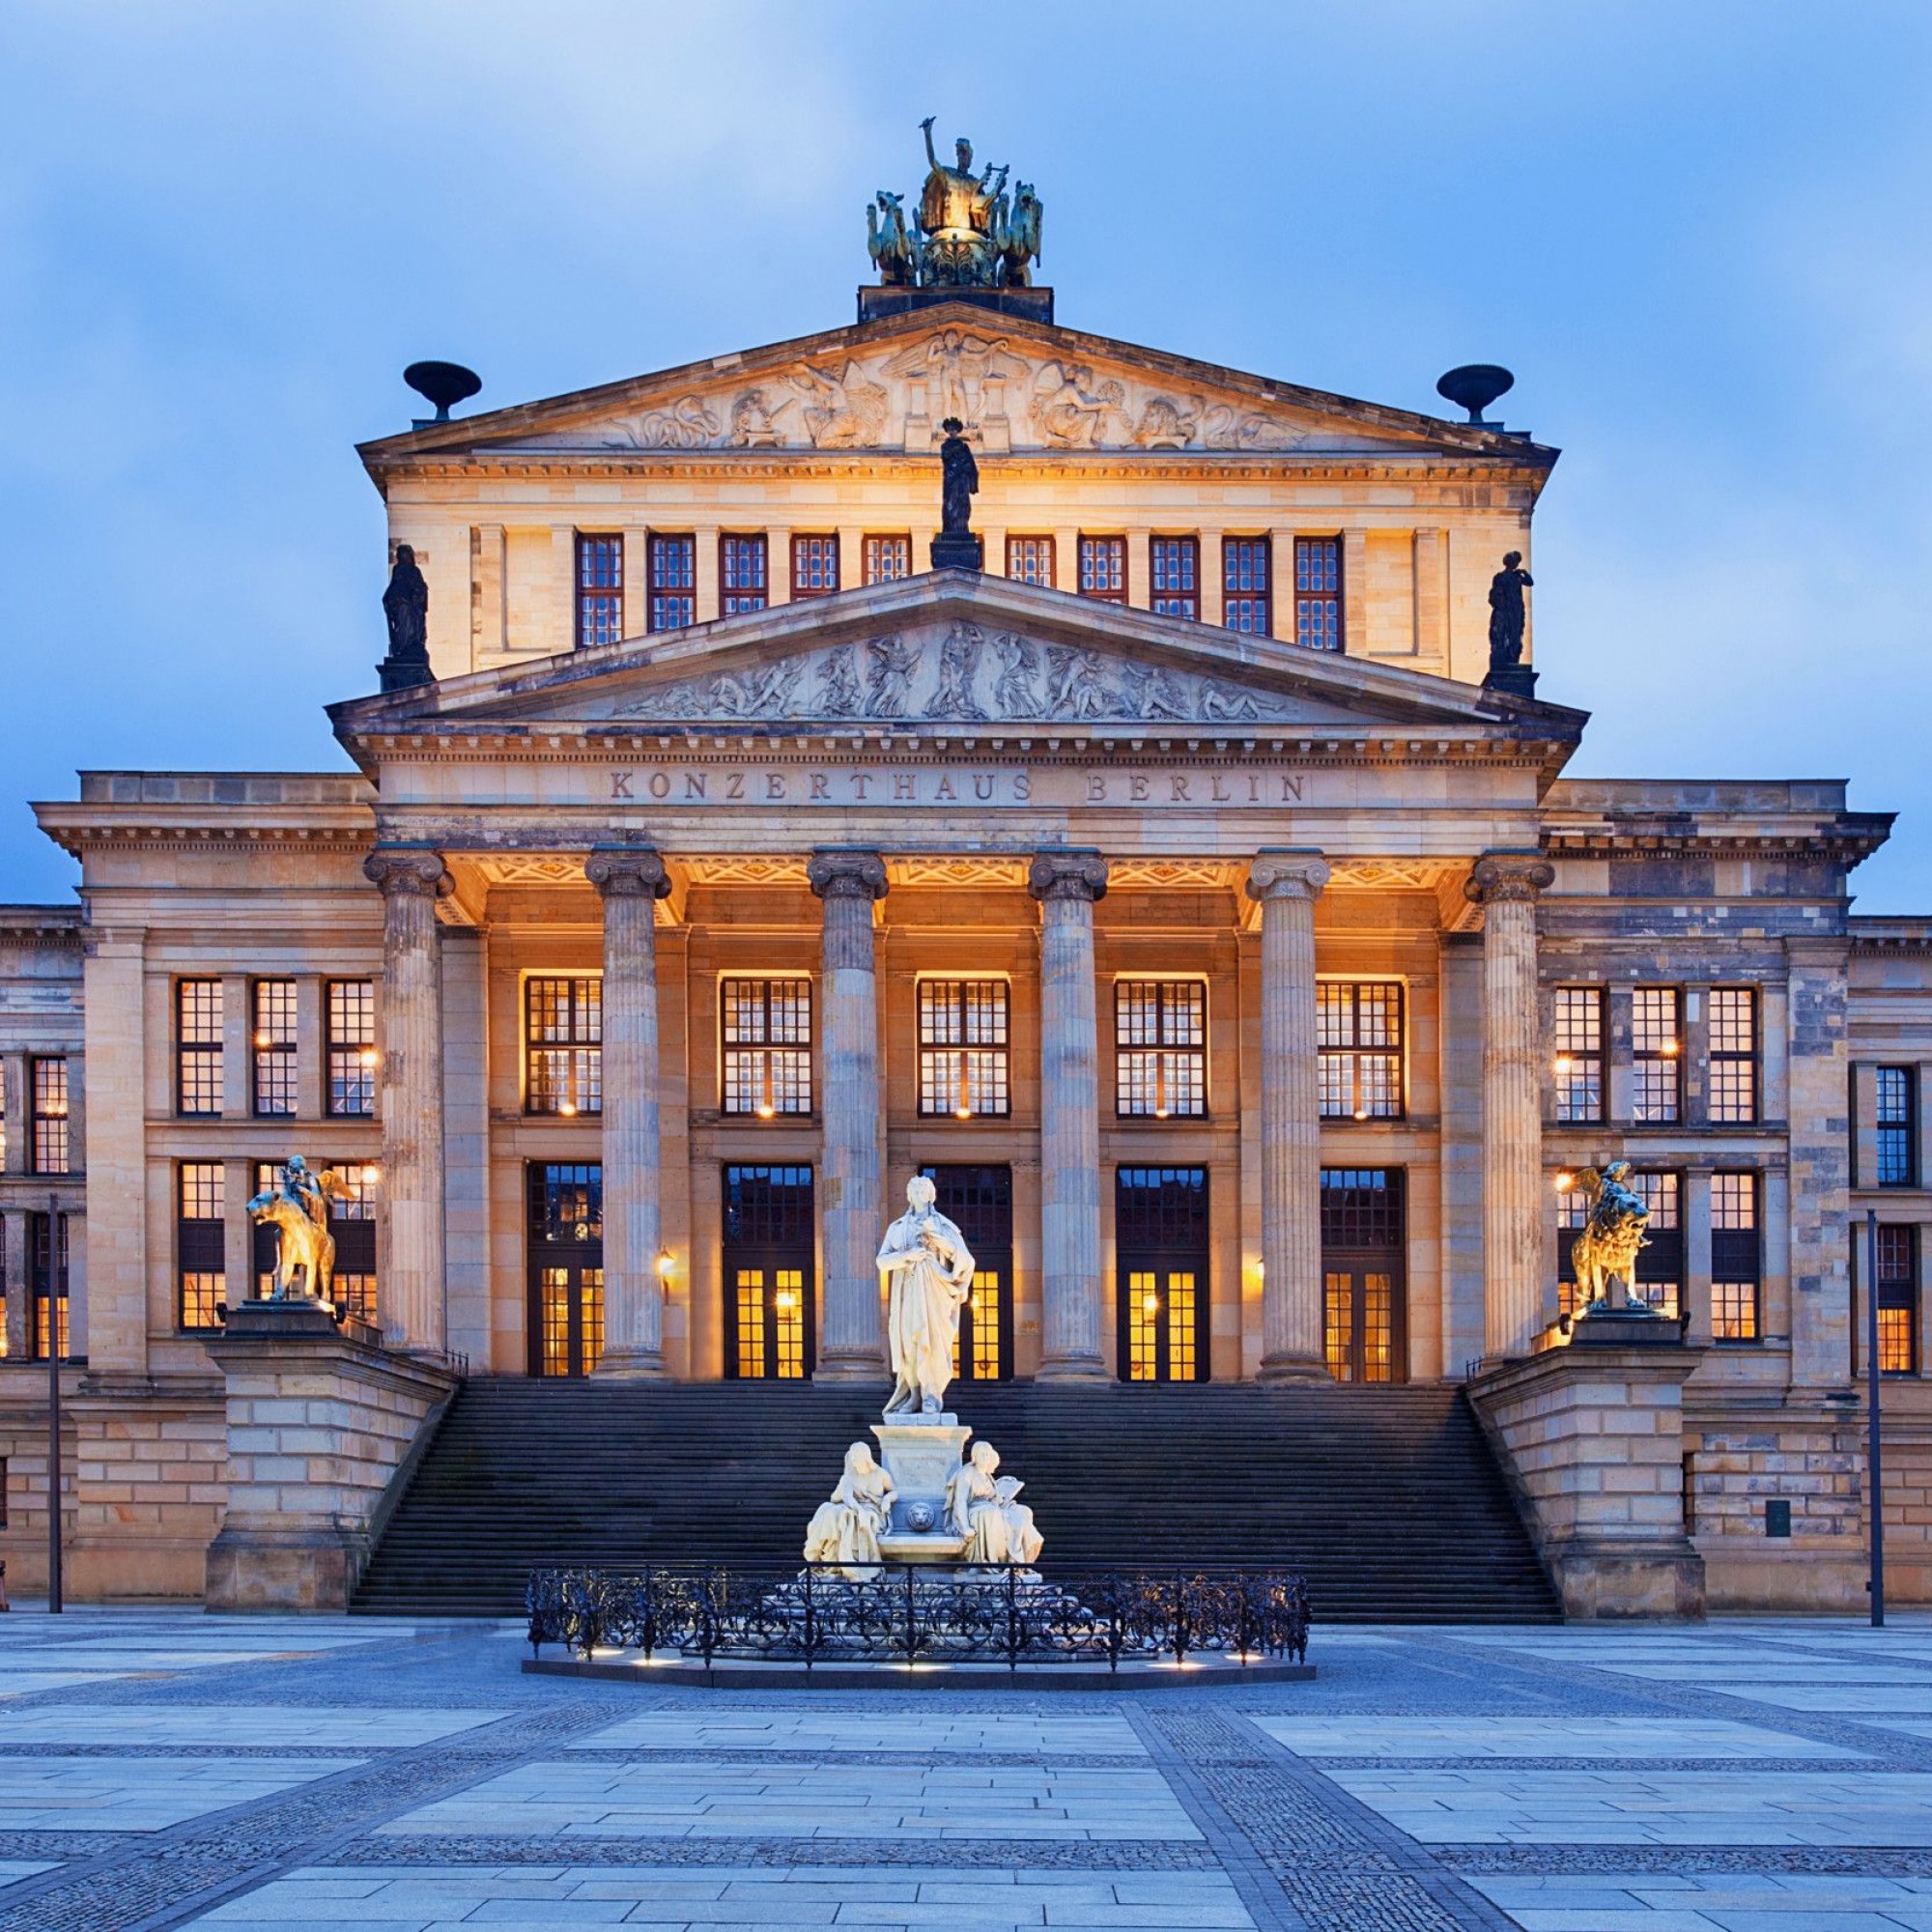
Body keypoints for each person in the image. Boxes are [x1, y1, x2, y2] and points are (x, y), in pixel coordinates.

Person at [877, 1175, 975, 1416]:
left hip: (935, 1293)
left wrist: (938, 1240)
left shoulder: (945, 1226)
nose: (920, 1193)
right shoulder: (897, 1228)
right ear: (909, 1196)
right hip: (908, 1293)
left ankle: (932, 1396)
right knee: (909, 1345)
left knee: (932, 1345)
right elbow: (881, 1261)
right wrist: (906, 1256)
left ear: (932, 1195)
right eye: (915, 1189)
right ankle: (914, 1395)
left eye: (924, 1189)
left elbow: (966, 1260)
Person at [948, 1441, 1042, 1566]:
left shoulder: (988, 1477)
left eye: (987, 1454)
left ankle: (1016, 1561)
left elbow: (994, 1499)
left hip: (993, 1507)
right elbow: (960, 1501)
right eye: (981, 1454)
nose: (985, 1457)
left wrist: (1003, 1495)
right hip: (975, 1510)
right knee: (991, 1513)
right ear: (974, 1456)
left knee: (1023, 1512)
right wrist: (965, 1527)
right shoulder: (967, 1473)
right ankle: (995, 1561)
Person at [803, 1442, 895, 1571]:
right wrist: (858, 1509)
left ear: (865, 1457)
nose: (853, 1461)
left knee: (839, 1514)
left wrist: (887, 1499)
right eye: (852, 1457)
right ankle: (828, 1558)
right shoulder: (849, 1476)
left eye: (856, 1457)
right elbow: (846, 1497)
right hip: (854, 1507)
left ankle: (832, 1563)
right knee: (828, 1509)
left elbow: (894, 1491)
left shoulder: (880, 1474)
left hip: (874, 1512)